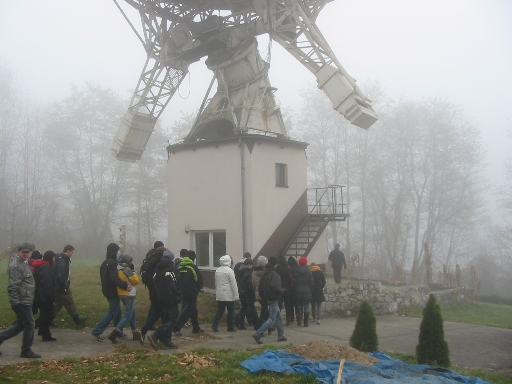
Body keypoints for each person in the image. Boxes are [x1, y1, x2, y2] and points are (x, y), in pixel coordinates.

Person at [0, 243, 41, 358]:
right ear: (18, 252)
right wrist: (15, 303)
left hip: (26, 299)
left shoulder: (24, 263)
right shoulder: (16, 266)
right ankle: (26, 350)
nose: (25, 254)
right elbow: (12, 286)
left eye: (27, 252)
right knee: (29, 324)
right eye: (23, 252)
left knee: (20, 325)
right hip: (21, 301)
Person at [91, 243, 132, 341]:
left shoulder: (105, 262)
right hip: (112, 291)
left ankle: (119, 331)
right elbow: (114, 278)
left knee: (118, 311)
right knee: (112, 312)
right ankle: (97, 331)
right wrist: (125, 285)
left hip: (106, 289)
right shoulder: (113, 263)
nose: (118, 253)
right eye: (117, 251)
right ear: (114, 251)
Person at [147, 250, 181, 350]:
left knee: (165, 319)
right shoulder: (173, 268)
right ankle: (156, 335)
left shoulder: (158, 268)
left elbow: (154, 282)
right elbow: (176, 284)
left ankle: (167, 341)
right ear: (171, 258)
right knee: (173, 319)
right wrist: (178, 296)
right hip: (171, 298)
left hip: (160, 297)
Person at [252, 256, 287, 344]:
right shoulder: (274, 274)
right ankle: (258, 333)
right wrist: (282, 290)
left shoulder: (265, 273)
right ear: (275, 264)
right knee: (272, 318)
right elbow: (275, 286)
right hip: (273, 297)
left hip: (266, 297)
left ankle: (281, 335)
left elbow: (261, 286)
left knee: (278, 316)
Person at [108, 254, 142, 344]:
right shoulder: (127, 270)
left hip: (122, 294)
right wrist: (133, 271)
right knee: (127, 316)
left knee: (133, 314)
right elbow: (135, 281)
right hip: (129, 295)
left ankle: (135, 333)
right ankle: (114, 333)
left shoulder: (118, 269)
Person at [53, 245, 87, 326]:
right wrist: (64, 285)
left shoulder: (62, 259)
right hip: (62, 286)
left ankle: (48, 318)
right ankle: (77, 320)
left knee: (58, 304)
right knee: (69, 302)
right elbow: (61, 274)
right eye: (72, 252)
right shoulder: (62, 261)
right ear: (67, 251)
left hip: (59, 286)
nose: (72, 254)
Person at [173, 249, 204, 336]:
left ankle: (196, 328)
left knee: (193, 309)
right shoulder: (192, 267)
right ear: (193, 258)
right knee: (189, 309)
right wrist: (198, 288)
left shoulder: (180, 267)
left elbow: (177, 280)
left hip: (183, 291)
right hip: (192, 292)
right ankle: (177, 327)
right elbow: (199, 280)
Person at [139, 242, 165, 341]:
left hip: (151, 287)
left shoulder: (149, 258)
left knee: (155, 309)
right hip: (157, 288)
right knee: (162, 312)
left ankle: (147, 327)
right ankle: (159, 334)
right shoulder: (158, 260)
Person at [32, 251, 57, 341]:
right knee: (48, 315)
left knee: (45, 314)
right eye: (53, 258)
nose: (54, 260)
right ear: (50, 258)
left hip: (40, 295)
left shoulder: (43, 266)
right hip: (44, 296)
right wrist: (51, 296)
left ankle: (45, 334)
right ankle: (32, 326)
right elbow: (48, 283)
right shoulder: (46, 268)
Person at [211, 255, 239, 332]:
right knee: (230, 311)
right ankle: (230, 327)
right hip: (229, 294)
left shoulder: (218, 270)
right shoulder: (230, 271)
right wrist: (236, 296)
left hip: (220, 293)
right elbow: (233, 284)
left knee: (220, 310)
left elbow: (216, 283)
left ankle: (215, 324)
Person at [236, 258, 258, 330]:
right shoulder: (248, 273)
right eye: (251, 265)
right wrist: (253, 293)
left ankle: (240, 324)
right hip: (248, 293)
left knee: (243, 308)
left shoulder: (239, 271)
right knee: (252, 309)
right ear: (249, 264)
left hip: (241, 292)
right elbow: (249, 285)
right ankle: (256, 325)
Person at [293, 256, 313, 327]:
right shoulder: (309, 272)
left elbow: (294, 283)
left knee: (299, 306)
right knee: (306, 307)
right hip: (307, 292)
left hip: (298, 291)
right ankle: (306, 322)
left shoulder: (296, 271)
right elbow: (311, 283)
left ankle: (300, 319)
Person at [275, 255, 293, 326]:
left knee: (279, 305)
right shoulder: (287, 268)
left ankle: (278, 320)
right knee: (287, 305)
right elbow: (290, 278)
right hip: (286, 289)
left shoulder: (277, 269)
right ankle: (288, 320)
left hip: (279, 288)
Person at [252, 256, 268, 329]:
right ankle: (259, 326)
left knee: (265, 309)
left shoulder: (254, 272)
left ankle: (269, 326)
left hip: (257, 293)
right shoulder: (266, 272)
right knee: (264, 311)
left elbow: (253, 284)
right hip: (265, 293)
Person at [287, 256, 299, 323]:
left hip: (290, 288)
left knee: (290, 304)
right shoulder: (298, 269)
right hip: (297, 288)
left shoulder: (289, 269)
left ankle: (291, 317)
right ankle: (298, 317)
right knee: (297, 303)